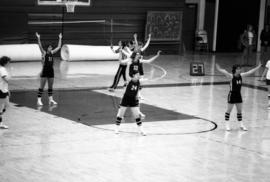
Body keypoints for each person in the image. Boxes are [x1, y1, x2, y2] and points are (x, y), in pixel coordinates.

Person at [115, 50, 161, 135]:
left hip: (133, 99)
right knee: (120, 114)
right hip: (126, 98)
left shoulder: (139, 81)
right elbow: (126, 72)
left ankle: (141, 130)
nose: (139, 75)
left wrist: (152, 73)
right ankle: (117, 129)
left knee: (137, 116)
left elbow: (148, 78)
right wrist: (127, 64)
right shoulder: (129, 79)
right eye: (138, 75)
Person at [216, 62, 262, 131]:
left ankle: (241, 125)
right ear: (235, 70)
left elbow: (249, 72)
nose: (240, 70)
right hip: (232, 95)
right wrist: (219, 69)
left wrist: (258, 67)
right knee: (229, 111)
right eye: (238, 69)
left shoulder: (241, 75)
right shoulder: (231, 76)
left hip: (238, 95)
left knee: (239, 111)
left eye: (240, 69)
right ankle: (227, 125)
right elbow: (225, 72)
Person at [36, 32, 62, 106]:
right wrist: (38, 38)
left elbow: (59, 46)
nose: (51, 48)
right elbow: (40, 46)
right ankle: (39, 100)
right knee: (42, 87)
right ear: (47, 48)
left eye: (51, 47)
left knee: (50, 87)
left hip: (51, 71)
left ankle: (51, 100)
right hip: (45, 71)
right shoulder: (44, 53)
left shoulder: (52, 52)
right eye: (49, 47)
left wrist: (60, 38)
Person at [0, 56, 11, 129]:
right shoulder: (2, 69)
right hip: (1, 90)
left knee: (6, 105)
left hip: (4, 90)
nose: (9, 63)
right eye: (8, 62)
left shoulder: (2, 69)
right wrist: (10, 74)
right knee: (2, 107)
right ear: (6, 62)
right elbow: (6, 79)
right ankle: (0, 123)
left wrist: (8, 90)